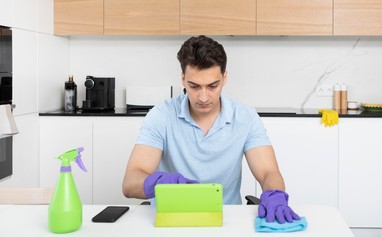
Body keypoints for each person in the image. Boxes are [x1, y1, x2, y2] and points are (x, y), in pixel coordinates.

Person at [122, 35, 300, 224]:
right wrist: (160, 183)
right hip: (171, 217)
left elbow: (268, 173)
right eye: (194, 86)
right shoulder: (161, 116)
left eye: (212, 86)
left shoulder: (245, 117)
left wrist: (276, 195)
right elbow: (130, 183)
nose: (204, 97)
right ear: (183, 79)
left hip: (226, 218)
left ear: (224, 78)